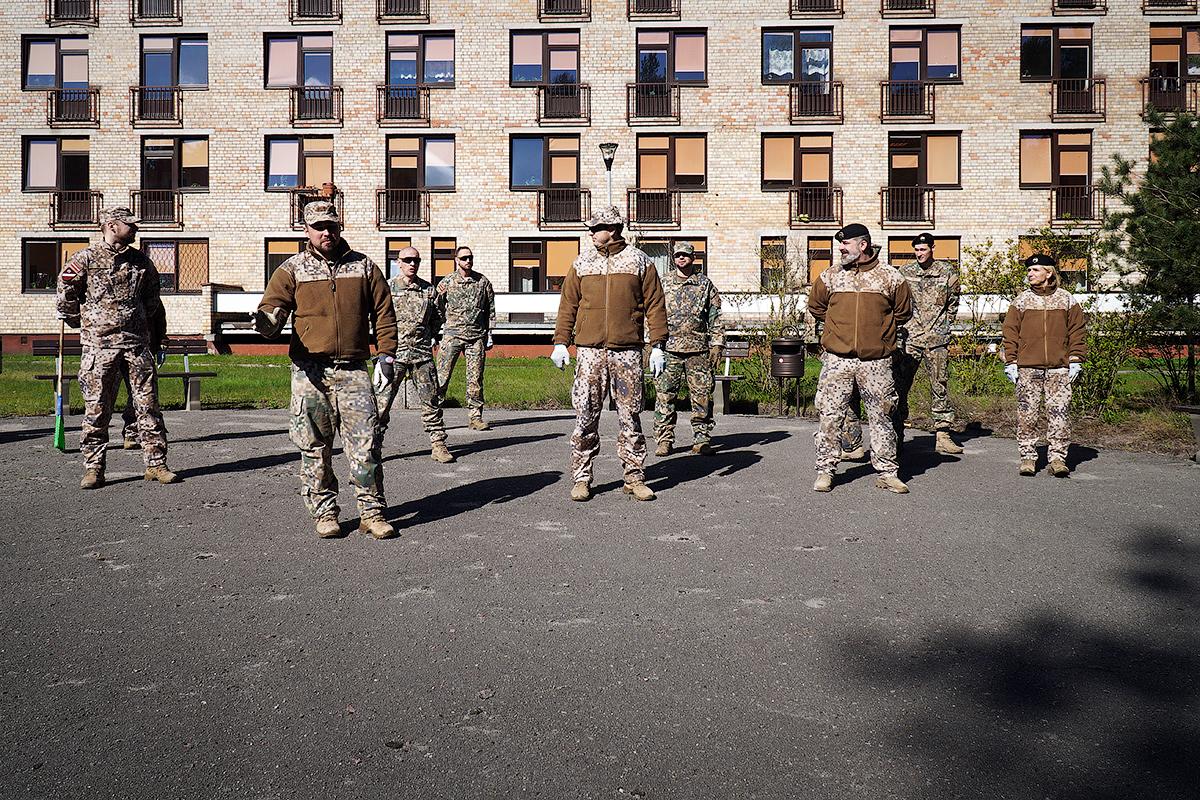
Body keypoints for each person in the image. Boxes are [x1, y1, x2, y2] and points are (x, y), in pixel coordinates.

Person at [253, 199, 399, 539]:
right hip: (310, 372)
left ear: (339, 226)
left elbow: (384, 313)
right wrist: (266, 321)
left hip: (353, 370)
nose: (326, 232)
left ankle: (371, 513)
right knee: (314, 447)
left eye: (331, 225)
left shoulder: (363, 267)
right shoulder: (292, 269)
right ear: (306, 230)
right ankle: (325, 513)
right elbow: (272, 311)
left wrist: (386, 355)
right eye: (318, 227)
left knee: (366, 444)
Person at [56, 206, 178, 490]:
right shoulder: (85, 259)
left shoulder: (141, 262)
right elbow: (65, 295)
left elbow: (153, 302)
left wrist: (151, 331)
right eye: (129, 224)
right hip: (100, 347)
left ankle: (156, 464)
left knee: (148, 407)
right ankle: (94, 468)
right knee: (97, 409)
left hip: (136, 346)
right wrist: (84, 322)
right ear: (111, 225)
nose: (135, 229)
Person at [550, 206, 668, 502]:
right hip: (589, 352)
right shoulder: (582, 262)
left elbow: (655, 304)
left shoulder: (639, 261)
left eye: (596, 228)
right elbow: (568, 305)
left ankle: (634, 477)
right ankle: (581, 478)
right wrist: (561, 341)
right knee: (585, 414)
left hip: (627, 352)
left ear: (613, 228)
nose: (591, 233)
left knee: (630, 416)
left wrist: (658, 345)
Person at [808, 223, 913, 494]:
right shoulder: (830, 276)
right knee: (830, 416)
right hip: (837, 360)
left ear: (863, 245)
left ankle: (887, 473)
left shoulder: (891, 277)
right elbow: (816, 306)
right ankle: (825, 471)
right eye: (840, 244)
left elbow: (903, 312)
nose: (841, 249)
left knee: (882, 416)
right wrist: (838, 330)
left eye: (846, 244)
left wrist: (878, 334)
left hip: (876, 361)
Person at [1001, 253, 1087, 477]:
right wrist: (1011, 361)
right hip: (1028, 368)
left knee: (1060, 414)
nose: (1030, 273)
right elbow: (1010, 333)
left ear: (1049, 273)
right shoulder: (1021, 301)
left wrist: (1076, 359)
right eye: (1029, 270)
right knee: (1027, 414)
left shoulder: (1066, 300)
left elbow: (1077, 331)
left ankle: (1057, 458)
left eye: (1035, 270)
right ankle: (1028, 457)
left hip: (1059, 368)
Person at [375, 246, 454, 464]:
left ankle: (438, 444)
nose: (412, 264)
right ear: (398, 263)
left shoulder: (429, 290)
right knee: (382, 403)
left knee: (431, 402)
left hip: (422, 355)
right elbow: (379, 319)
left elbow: (438, 318)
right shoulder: (387, 288)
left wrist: (429, 337)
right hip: (394, 355)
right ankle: (374, 447)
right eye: (408, 260)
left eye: (416, 261)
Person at [893, 232, 964, 455]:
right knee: (900, 385)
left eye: (923, 249)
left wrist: (943, 325)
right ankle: (896, 433)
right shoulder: (905, 272)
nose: (919, 253)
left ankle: (942, 435)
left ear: (933, 248)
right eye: (916, 250)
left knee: (939, 385)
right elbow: (897, 302)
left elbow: (953, 303)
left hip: (936, 339)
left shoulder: (947, 271)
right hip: (910, 338)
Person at [653, 241, 724, 457]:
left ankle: (701, 438)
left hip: (698, 350)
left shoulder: (704, 284)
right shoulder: (663, 282)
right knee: (665, 396)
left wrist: (717, 343)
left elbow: (715, 316)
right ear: (673, 259)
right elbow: (653, 313)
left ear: (693, 258)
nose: (681, 258)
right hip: (669, 349)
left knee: (701, 396)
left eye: (685, 255)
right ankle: (664, 440)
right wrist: (652, 343)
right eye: (677, 255)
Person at [435, 246, 495, 431]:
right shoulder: (447, 282)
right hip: (452, 335)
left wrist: (490, 333)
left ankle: (475, 417)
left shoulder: (482, 282)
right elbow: (436, 308)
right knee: (441, 378)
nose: (468, 261)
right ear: (456, 260)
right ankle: (434, 417)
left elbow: (490, 309)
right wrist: (434, 332)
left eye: (470, 257)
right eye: (464, 258)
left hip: (476, 337)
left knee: (475, 379)